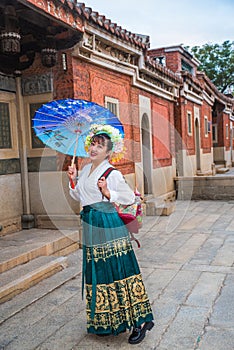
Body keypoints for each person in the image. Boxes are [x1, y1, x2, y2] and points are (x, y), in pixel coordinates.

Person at [67, 124, 154, 345]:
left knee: (120, 270)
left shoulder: (112, 173)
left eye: (100, 145)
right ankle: (109, 321)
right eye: (93, 144)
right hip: (91, 223)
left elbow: (128, 197)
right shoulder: (86, 169)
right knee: (100, 271)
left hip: (108, 225)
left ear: (108, 152)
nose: (94, 148)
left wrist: (108, 192)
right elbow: (80, 196)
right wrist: (73, 178)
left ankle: (140, 321)